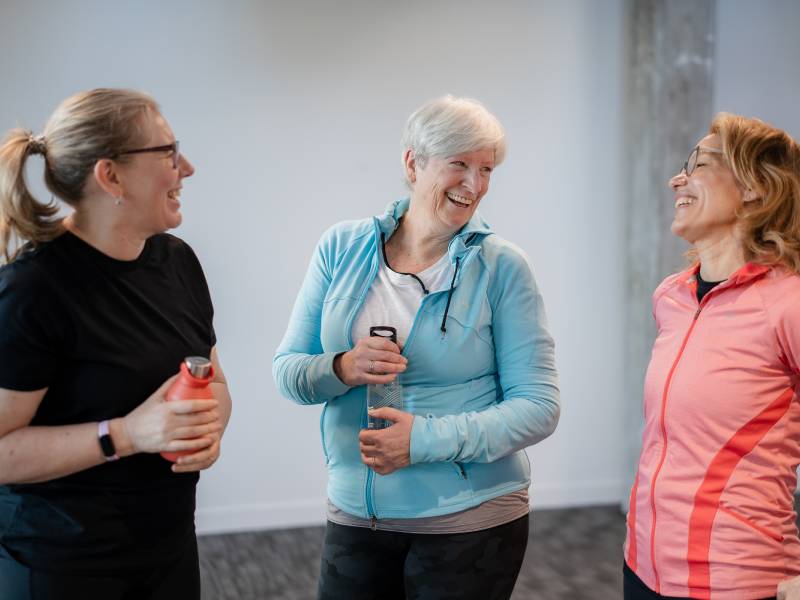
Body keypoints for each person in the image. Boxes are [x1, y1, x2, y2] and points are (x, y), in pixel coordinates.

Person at [273, 95, 560, 600]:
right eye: (459, 164)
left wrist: (421, 441)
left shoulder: (502, 267)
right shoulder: (341, 247)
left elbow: (539, 408)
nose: (475, 185)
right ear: (413, 162)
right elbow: (289, 374)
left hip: (468, 518)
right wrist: (342, 366)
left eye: (486, 169)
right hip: (356, 513)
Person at [0, 88, 231, 600]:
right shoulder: (31, 292)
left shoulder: (178, 261)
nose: (186, 168)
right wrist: (125, 434)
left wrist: (207, 432)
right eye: (168, 152)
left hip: (167, 547)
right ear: (111, 176)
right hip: (64, 564)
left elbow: (211, 380)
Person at [624, 113, 800, 600]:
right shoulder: (672, 297)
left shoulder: (788, 302)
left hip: (734, 578)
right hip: (642, 565)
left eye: (698, 163)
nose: (676, 179)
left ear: (754, 186)